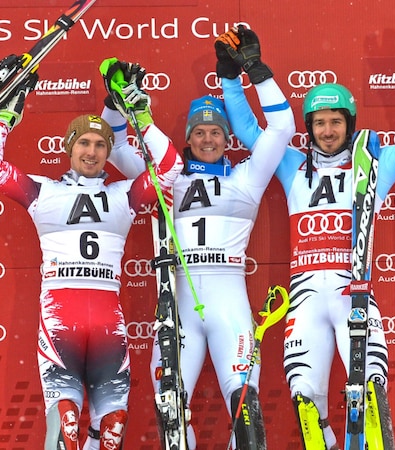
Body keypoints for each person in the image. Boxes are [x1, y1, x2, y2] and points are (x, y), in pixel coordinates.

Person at [222, 35, 395, 449]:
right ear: (309, 127)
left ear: (349, 121)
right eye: (318, 122)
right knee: (305, 398)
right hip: (305, 296)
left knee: (371, 392)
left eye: (335, 121)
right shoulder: (291, 163)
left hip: (356, 293)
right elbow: (247, 129)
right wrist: (231, 76)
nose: (327, 130)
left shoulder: (375, 161)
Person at [102, 25, 295, 449]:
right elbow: (115, 146)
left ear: (228, 139)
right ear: (187, 138)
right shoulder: (167, 176)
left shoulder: (247, 176)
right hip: (178, 304)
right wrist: (113, 104)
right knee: (169, 404)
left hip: (229, 301)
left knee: (245, 405)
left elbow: (281, 129)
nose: (207, 138)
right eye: (199, 132)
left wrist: (255, 71)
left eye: (215, 132)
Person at [0, 60, 183, 450]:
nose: (92, 151)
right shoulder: (60, 193)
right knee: (83, 424)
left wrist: (138, 114)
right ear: (69, 148)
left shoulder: (105, 194)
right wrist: (7, 114)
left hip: (86, 316)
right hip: (82, 314)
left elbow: (171, 167)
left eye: (101, 144)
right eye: (84, 142)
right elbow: (169, 166)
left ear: (108, 150)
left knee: (102, 426)